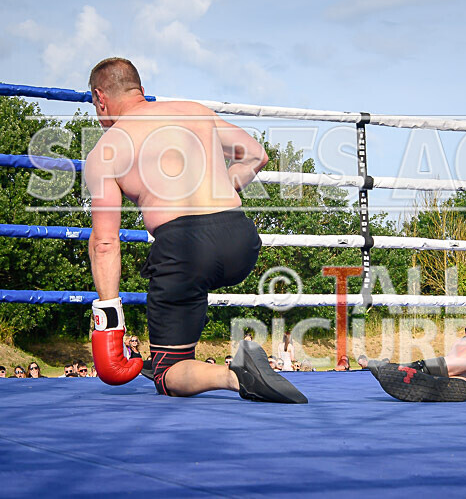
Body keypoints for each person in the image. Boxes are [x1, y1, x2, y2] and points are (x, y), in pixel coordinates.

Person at [84, 58, 305, 404]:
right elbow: (256, 156)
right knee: (190, 284)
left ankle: (234, 374)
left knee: (167, 373)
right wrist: (223, 188)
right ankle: (182, 340)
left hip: (184, 250)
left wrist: (109, 320)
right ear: (140, 90)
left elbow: (105, 243)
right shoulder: (193, 110)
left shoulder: (106, 149)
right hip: (240, 240)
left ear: (100, 98)